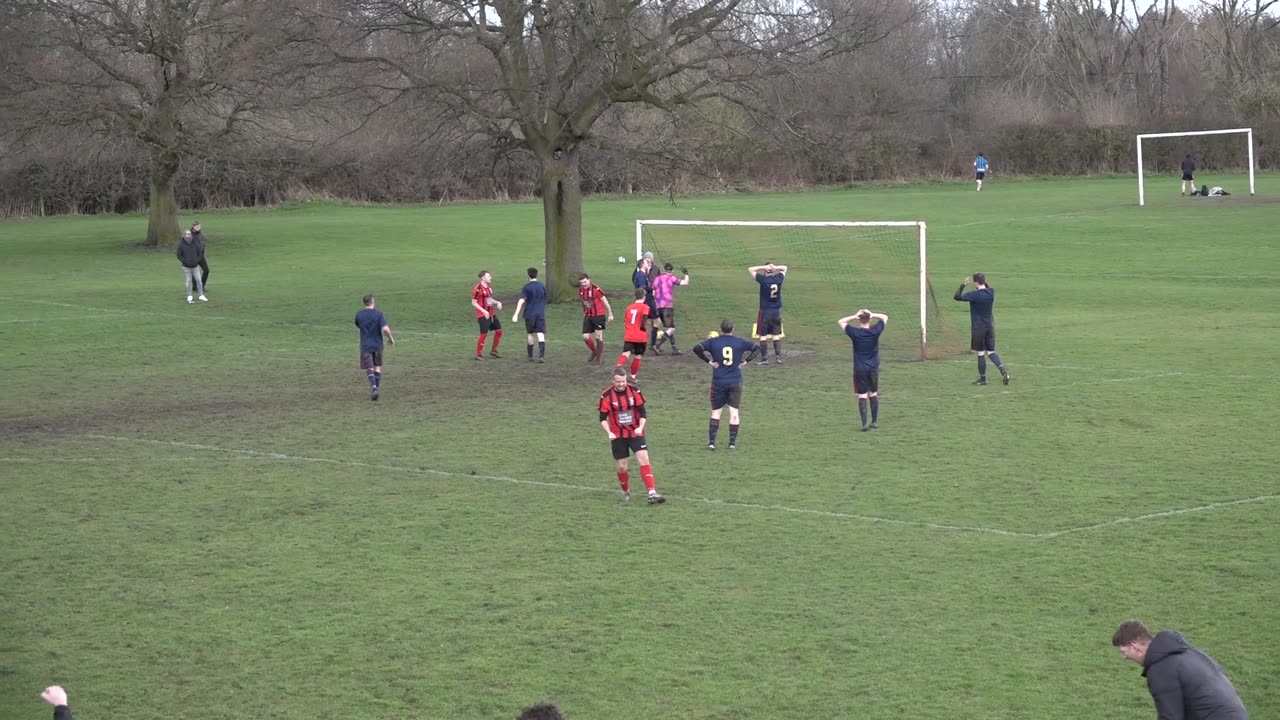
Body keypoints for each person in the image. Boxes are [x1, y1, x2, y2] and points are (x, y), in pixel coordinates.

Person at [1112, 620, 1249, 720]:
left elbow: (1170, 716)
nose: (1124, 657)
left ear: (1134, 647)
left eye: (1124, 651)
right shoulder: (1187, 653)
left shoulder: (1161, 669)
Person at [599, 366, 665, 504]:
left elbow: (643, 413)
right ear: (613, 381)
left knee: (644, 458)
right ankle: (626, 492)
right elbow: (602, 418)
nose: (621, 384)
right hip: (617, 435)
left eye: (623, 381)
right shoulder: (606, 396)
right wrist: (609, 432)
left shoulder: (635, 391)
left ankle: (652, 492)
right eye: (618, 382)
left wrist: (640, 427)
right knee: (622, 467)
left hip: (635, 432)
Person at [691, 319, 761, 450]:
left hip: (719, 381)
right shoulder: (739, 342)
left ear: (720, 329)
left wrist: (709, 361)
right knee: (734, 413)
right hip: (735, 381)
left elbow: (697, 349)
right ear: (732, 329)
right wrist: (746, 361)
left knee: (716, 413)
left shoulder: (713, 342)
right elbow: (757, 348)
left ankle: (712, 443)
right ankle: (732, 444)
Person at [954, 272, 1009, 386]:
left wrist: (963, 284)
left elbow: (957, 297)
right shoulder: (991, 292)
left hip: (978, 328)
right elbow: (986, 287)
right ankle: (1002, 370)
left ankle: (983, 379)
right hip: (990, 327)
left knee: (980, 353)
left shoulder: (974, 295)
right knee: (991, 352)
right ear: (984, 281)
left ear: (975, 283)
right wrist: (981, 283)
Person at [838, 309, 889, 431]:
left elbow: (841, 321)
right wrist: (873, 314)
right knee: (873, 393)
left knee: (862, 395)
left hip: (860, 368)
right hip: (873, 368)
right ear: (869, 319)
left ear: (859, 320)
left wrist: (854, 316)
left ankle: (864, 424)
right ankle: (875, 421)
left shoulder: (855, 333)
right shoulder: (875, 332)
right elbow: (885, 317)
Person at [355, 293, 395, 401]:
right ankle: (376, 388)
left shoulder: (359, 315)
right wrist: (390, 338)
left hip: (365, 345)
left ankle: (373, 388)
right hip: (377, 345)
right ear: (373, 302)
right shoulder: (379, 314)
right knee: (377, 367)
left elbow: (358, 325)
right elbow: (385, 329)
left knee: (369, 367)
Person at [747, 262, 788, 364]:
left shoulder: (763, 280)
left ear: (765, 271)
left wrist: (763, 267)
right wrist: (775, 267)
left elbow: (750, 269)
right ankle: (778, 357)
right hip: (776, 312)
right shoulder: (778, 279)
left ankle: (765, 359)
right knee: (776, 335)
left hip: (765, 312)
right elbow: (785, 268)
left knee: (763, 335)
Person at [651, 262, 689, 354]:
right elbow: (685, 282)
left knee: (669, 327)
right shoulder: (672, 278)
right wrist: (686, 274)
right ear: (672, 270)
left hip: (658, 306)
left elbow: (653, 292)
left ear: (664, 269)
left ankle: (674, 348)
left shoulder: (657, 279)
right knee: (671, 328)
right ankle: (657, 346)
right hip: (667, 306)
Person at [512, 267, 548, 362]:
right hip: (540, 314)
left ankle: (530, 356)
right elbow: (545, 298)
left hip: (529, 314)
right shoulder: (542, 286)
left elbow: (521, 301)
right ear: (537, 275)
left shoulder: (526, 287)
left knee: (530, 334)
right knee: (540, 334)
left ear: (528, 275)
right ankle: (541, 356)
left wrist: (516, 314)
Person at [577, 273, 614, 364]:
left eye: (585, 282)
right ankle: (595, 352)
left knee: (598, 337)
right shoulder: (581, 291)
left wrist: (610, 314)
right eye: (582, 283)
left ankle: (599, 358)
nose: (584, 284)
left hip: (599, 315)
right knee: (585, 337)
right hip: (588, 316)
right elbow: (584, 302)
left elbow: (605, 302)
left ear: (589, 280)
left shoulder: (596, 289)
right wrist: (584, 312)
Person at [616, 288, 650, 382]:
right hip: (640, 336)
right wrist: (644, 327)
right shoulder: (645, 307)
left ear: (635, 296)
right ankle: (632, 376)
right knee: (638, 356)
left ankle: (618, 366)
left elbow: (626, 320)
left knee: (626, 353)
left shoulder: (629, 307)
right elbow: (644, 318)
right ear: (644, 297)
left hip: (629, 335)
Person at [471, 270, 503, 360]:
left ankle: (494, 350)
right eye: (488, 276)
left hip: (491, 313)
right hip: (482, 315)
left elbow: (490, 299)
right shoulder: (478, 288)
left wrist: (497, 302)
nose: (490, 277)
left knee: (499, 331)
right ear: (483, 277)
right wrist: (483, 311)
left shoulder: (489, 287)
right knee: (484, 334)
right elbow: (474, 302)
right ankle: (478, 354)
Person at [633, 253, 659, 349]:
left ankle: (642, 342)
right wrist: (652, 290)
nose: (647, 263)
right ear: (642, 265)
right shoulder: (641, 275)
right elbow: (642, 288)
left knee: (644, 322)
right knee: (655, 321)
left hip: (646, 301)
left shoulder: (642, 274)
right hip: (647, 301)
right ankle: (651, 344)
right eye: (645, 262)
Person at [176, 229, 207, 303]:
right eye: (187, 234)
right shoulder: (181, 244)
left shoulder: (195, 243)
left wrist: (197, 260)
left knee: (199, 280)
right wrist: (185, 261)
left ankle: (201, 295)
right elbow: (179, 255)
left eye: (189, 234)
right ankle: (189, 296)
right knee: (189, 281)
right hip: (186, 267)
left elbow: (199, 253)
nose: (188, 235)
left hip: (195, 266)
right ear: (184, 235)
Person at [190, 220, 210, 290]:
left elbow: (201, 242)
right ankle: (195, 287)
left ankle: (202, 286)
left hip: (201, 256)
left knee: (206, 270)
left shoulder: (199, 234)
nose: (199, 228)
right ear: (193, 227)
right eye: (197, 227)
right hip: (194, 256)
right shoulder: (190, 235)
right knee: (194, 271)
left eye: (199, 227)